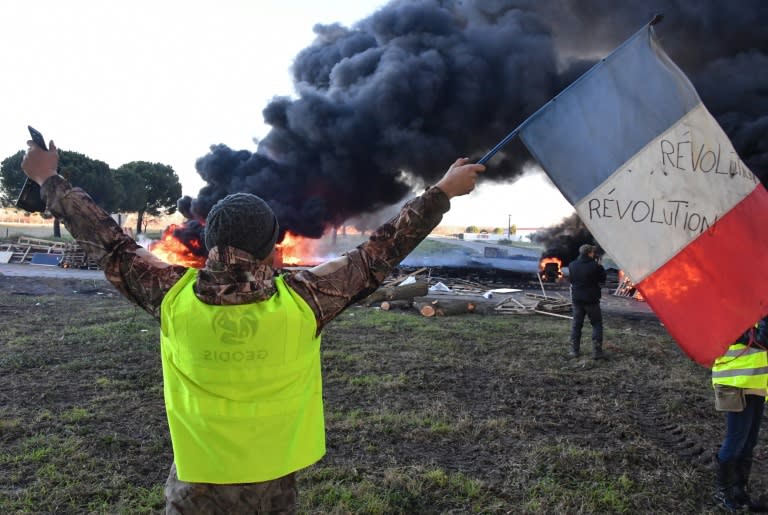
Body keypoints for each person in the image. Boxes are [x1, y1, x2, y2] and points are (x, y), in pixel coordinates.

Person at [21, 138, 485, 514]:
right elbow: (377, 253)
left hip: (195, 489)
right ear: (272, 250)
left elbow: (109, 241)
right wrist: (440, 191)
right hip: (274, 487)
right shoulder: (305, 301)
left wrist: (48, 178)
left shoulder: (172, 296)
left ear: (209, 244)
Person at [711, 316, 768, 512]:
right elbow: (761, 340)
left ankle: (739, 489)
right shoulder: (730, 312)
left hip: (756, 383)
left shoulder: (755, 310)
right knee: (736, 440)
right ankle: (723, 490)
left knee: (749, 442)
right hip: (735, 383)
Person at [567, 244, 607, 359]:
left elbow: (572, 280)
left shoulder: (572, 265)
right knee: (596, 324)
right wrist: (600, 266)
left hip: (577, 300)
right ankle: (597, 352)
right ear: (590, 253)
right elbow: (602, 280)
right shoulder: (595, 266)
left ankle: (574, 351)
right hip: (591, 300)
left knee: (576, 325)